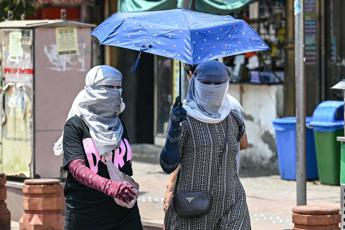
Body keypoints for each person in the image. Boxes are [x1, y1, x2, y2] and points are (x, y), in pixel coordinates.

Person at [160, 60, 251, 229]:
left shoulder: (233, 118)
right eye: (206, 83)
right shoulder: (184, 120)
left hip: (232, 202)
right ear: (194, 82)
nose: (212, 88)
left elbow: (243, 144)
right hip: (193, 206)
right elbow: (168, 164)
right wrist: (172, 132)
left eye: (218, 83)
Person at [59, 65, 143, 230]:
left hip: (123, 212)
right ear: (92, 89)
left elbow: (125, 166)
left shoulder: (119, 125)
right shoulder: (75, 126)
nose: (115, 92)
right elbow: (76, 167)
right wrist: (108, 186)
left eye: (118, 87)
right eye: (109, 87)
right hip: (86, 215)